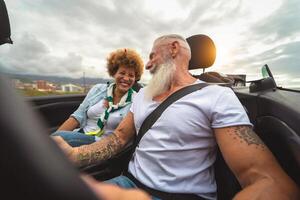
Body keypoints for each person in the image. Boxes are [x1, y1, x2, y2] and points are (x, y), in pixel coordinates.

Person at [53, 34, 299, 200]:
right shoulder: (143, 96)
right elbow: (118, 139)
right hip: (127, 184)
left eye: (152, 56)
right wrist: (75, 155)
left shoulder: (215, 96)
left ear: (173, 48)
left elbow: (270, 182)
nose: (147, 65)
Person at [52, 48, 144, 147]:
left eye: (131, 75)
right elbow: (77, 117)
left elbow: (125, 137)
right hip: (80, 134)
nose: (126, 78)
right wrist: (57, 137)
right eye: (122, 73)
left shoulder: (136, 100)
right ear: (114, 73)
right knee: (55, 139)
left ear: (135, 78)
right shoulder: (98, 89)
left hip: (102, 144)